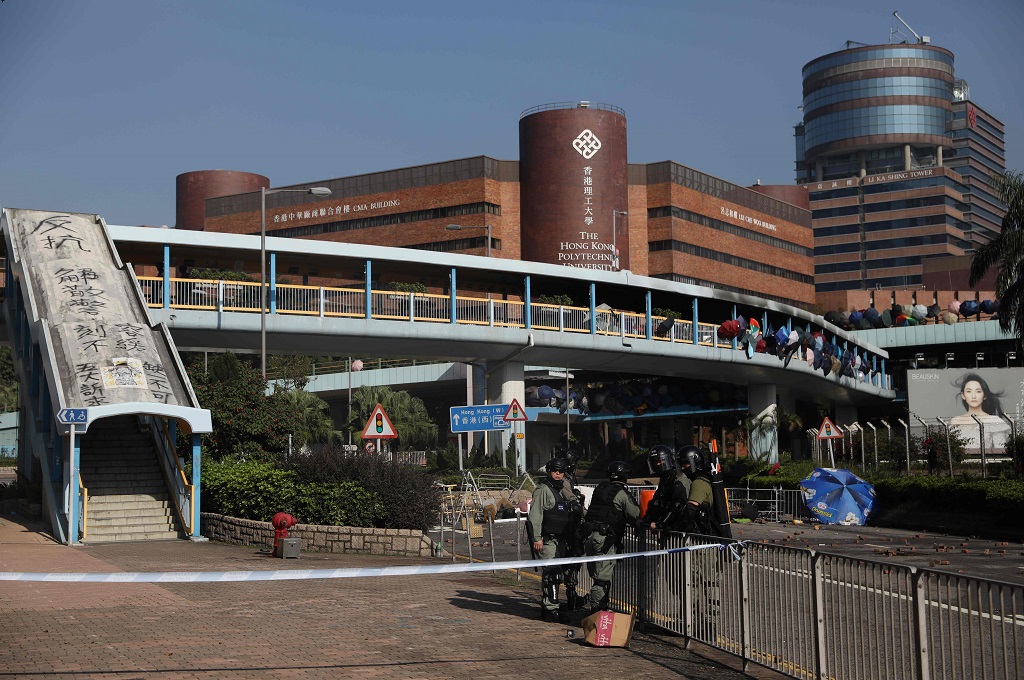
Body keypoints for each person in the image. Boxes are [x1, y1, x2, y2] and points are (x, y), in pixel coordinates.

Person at [582, 460, 641, 613]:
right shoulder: (621, 493)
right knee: (602, 580)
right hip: (605, 539)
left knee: (599, 577)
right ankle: (597, 612)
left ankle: (600, 609)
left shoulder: (600, 489)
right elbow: (634, 514)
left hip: (590, 536)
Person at [527, 456, 581, 623]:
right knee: (552, 575)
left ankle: (553, 606)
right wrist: (537, 538)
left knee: (564, 573)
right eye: (555, 471)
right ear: (549, 471)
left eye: (561, 471)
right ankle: (551, 610)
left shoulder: (562, 489)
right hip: (548, 540)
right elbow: (535, 516)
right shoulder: (544, 489)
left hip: (563, 540)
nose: (558, 474)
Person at [949, 373, 1010, 453]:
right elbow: (951, 451)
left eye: (978, 391)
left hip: (986, 463)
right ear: (963, 395)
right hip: (960, 464)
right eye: (969, 391)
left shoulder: (994, 421)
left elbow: (1000, 452)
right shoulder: (955, 421)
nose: (973, 396)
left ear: (984, 396)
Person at [642, 444, 691, 532]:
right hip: (667, 528)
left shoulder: (678, 479)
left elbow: (678, 504)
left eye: (660, 461)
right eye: (655, 462)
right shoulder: (664, 480)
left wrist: (661, 523)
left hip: (679, 529)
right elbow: (656, 502)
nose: (657, 465)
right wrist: (647, 519)